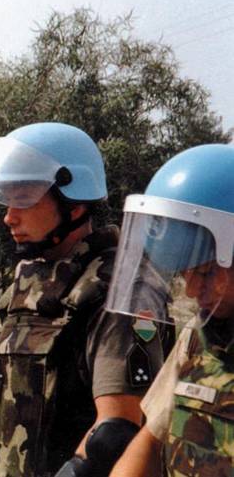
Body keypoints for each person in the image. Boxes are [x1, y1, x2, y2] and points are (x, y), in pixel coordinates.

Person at [0, 122, 170, 477]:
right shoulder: (32, 280)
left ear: (74, 205)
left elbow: (116, 430)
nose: (9, 216)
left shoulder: (120, 289)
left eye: (23, 197)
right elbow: (8, 396)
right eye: (7, 199)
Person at [107, 144, 234, 477]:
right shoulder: (198, 337)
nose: (191, 290)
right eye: (183, 273)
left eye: (206, 272)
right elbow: (150, 441)